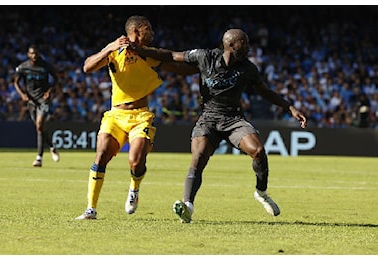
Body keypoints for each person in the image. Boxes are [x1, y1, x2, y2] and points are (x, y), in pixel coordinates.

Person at [131, 28, 307, 223]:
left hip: (233, 119)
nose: (248, 47)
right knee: (198, 157)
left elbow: (265, 91)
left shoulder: (248, 68)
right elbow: (171, 55)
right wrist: (143, 50)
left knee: (258, 151)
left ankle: (261, 192)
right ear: (230, 45)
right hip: (208, 119)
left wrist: (289, 107)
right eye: (244, 43)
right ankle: (187, 206)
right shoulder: (204, 57)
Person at [75, 15, 197, 220]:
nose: (152, 33)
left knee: (135, 160)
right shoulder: (115, 51)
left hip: (140, 116)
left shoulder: (148, 54)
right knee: (101, 154)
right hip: (115, 115)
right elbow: (87, 67)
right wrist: (109, 47)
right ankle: (91, 209)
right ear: (137, 30)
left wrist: (204, 66)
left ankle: (134, 189)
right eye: (148, 29)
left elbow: (177, 68)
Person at [14, 45, 60, 167]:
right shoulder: (23, 67)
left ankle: (39, 157)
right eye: (32, 54)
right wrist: (22, 94)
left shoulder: (45, 66)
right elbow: (16, 82)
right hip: (31, 101)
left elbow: (56, 79)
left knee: (39, 125)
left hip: (44, 100)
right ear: (28, 55)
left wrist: (50, 91)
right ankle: (52, 146)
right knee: (40, 128)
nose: (34, 56)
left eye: (36, 53)